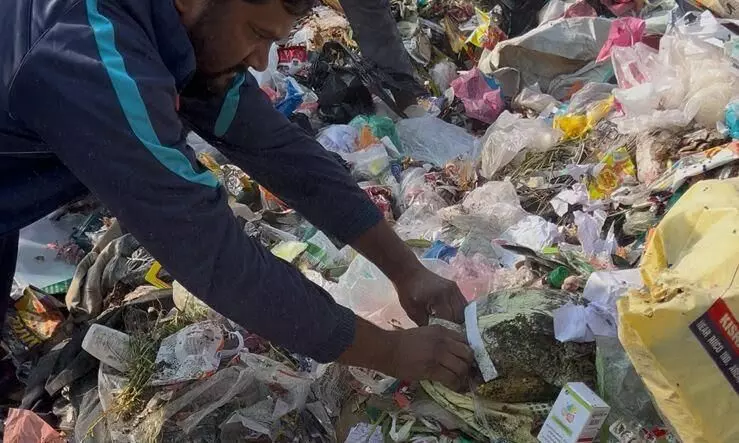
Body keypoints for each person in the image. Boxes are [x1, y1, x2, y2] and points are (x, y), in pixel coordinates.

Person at [0, 0, 473, 390]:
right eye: (257, 33)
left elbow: (277, 149)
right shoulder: (89, 52)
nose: (261, 61)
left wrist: (407, 270)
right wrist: (389, 351)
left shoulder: (177, 29)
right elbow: (207, 249)